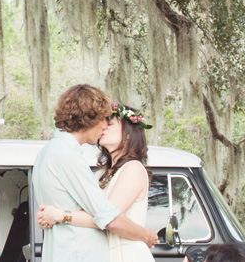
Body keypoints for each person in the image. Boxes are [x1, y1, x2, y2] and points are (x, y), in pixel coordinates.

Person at [32, 85, 157, 262]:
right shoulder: (80, 163)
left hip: (124, 252)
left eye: (110, 122)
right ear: (90, 119)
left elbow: (107, 217)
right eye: (104, 120)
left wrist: (59, 215)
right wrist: (55, 216)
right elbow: (106, 218)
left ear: (129, 134)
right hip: (83, 252)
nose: (104, 126)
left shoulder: (132, 168)